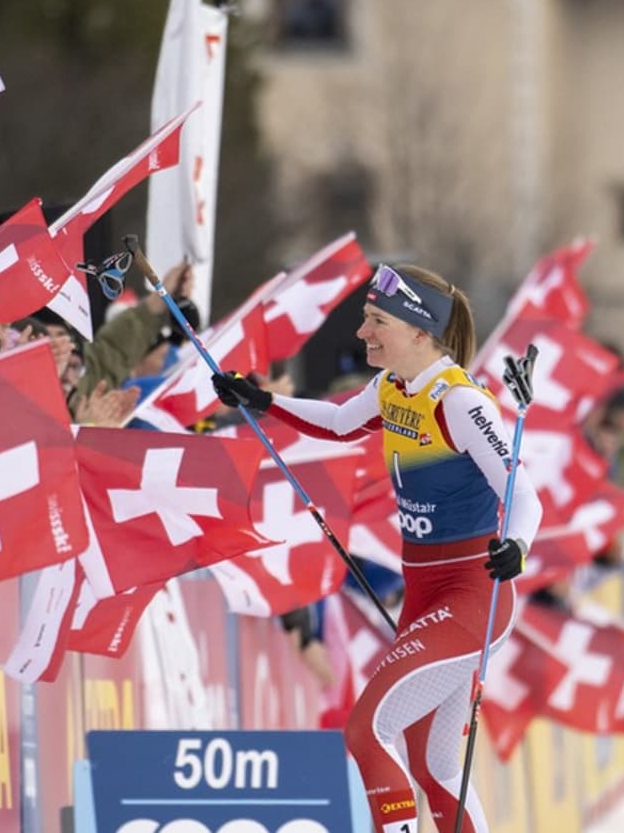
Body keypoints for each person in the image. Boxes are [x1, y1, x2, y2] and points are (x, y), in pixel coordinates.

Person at [212, 263, 541, 833]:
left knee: (368, 730)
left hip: (471, 597)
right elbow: (340, 424)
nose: (363, 332)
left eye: (376, 321)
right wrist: (260, 401)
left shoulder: (459, 402)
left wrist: (516, 544)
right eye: (365, 318)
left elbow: (523, 492)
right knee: (434, 765)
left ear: (419, 333)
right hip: (424, 594)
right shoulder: (392, 386)